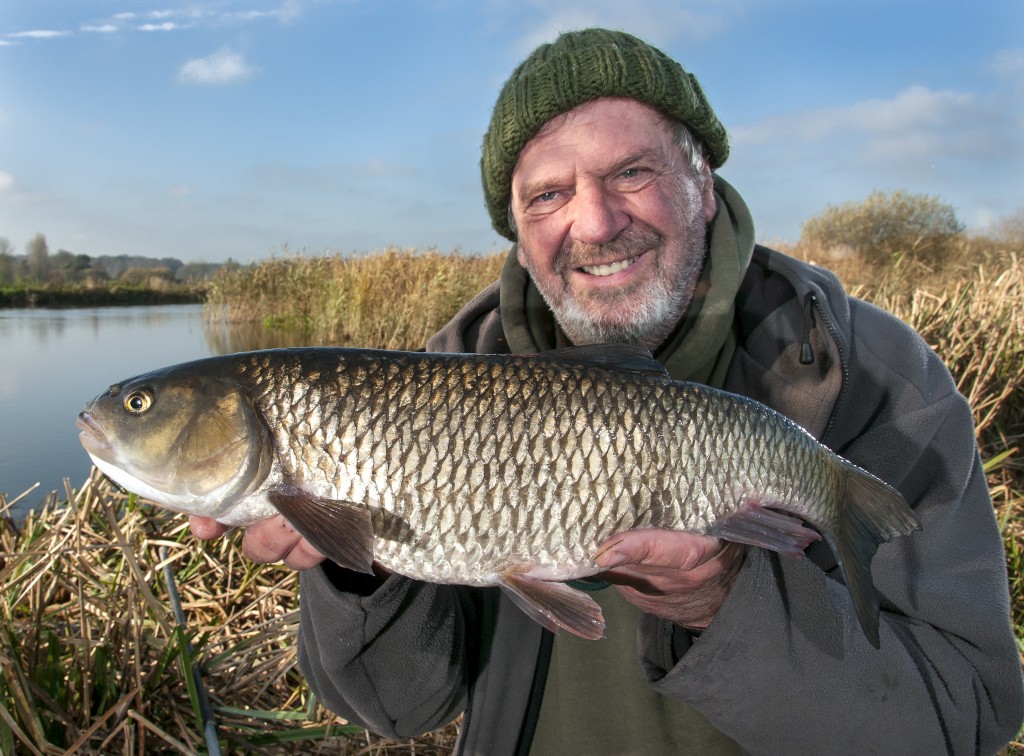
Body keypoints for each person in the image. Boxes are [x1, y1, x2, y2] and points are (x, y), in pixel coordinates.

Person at [190, 28, 1024, 754]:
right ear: (516, 226)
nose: (593, 224)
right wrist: (353, 562)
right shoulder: (432, 378)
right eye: (548, 193)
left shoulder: (875, 375)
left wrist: (729, 603)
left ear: (702, 183)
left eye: (631, 172)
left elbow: (962, 720)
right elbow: (393, 710)